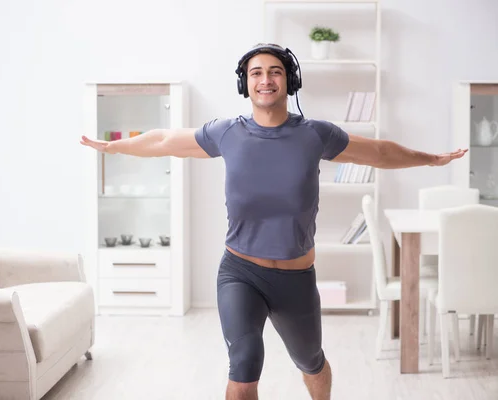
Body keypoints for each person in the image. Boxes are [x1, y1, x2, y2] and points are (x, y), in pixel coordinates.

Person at [80, 43, 466, 400]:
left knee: (312, 362)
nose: (266, 79)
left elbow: (378, 152)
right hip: (240, 273)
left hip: (296, 279)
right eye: (256, 73)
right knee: (244, 364)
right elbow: (164, 140)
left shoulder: (315, 135)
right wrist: (114, 146)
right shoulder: (227, 133)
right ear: (245, 83)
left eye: (275, 71)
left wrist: (429, 159)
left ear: (290, 80)